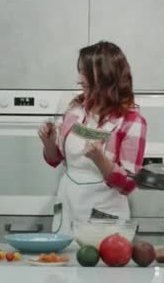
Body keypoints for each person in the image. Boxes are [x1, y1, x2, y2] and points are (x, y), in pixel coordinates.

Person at [38, 41, 147, 234]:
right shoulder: (73, 110)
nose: (79, 79)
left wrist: (100, 160)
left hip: (104, 215)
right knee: (63, 261)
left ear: (106, 77)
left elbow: (129, 185)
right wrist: (48, 143)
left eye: (85, 72)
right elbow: (56, 160)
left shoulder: (132, 121)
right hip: (67, 208)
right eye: (79, 70)